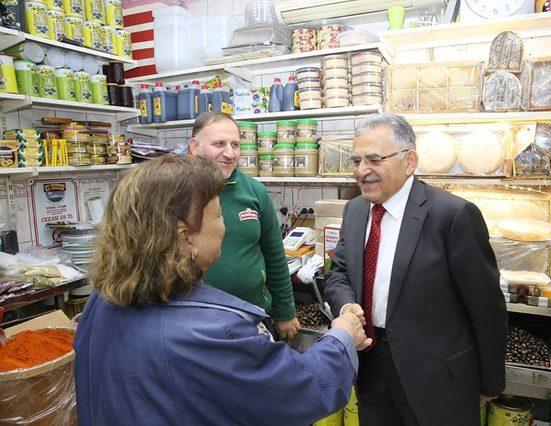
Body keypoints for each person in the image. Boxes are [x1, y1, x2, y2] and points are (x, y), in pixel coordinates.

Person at [74, 155, 372, 425]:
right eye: (217, 215)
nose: (224, 226)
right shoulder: (218, 329)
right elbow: (301, 390)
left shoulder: (102, 300)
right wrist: (342, 338)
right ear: (185, 237)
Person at [324, 114, 508, 425]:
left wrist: (490, 380)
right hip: (371, 367)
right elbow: (339, 272)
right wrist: (346, 306)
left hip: (437, 378)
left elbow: (486, 307)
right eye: (357, 160)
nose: (361, 171)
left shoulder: (453, 215)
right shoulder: (355, 210)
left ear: (409, 161)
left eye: (373, 159)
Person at [188, 112, 300, 340]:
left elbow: (274, 256)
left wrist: (285, 311)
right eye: (219, 144)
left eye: (235, 144)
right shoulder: (177, 191)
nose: (229, 153)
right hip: (195, 320)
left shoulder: (254, 192)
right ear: (194, 146)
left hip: (254, 315)